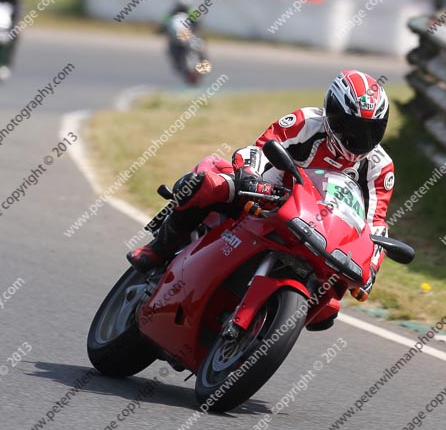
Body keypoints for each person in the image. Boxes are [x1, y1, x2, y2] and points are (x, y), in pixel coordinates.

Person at [127, 70, 394, 304]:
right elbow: (261, 148)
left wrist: (370, 268)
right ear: (331, 112)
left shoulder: (380, 167)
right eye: (348, 126)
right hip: (268, 194)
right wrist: (250, 176)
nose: (357, 139)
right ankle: (159, 249)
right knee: (206, 185)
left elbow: (374, 224)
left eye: (370, 131)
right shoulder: (307, 122)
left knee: (330, 304)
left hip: (324, 230)